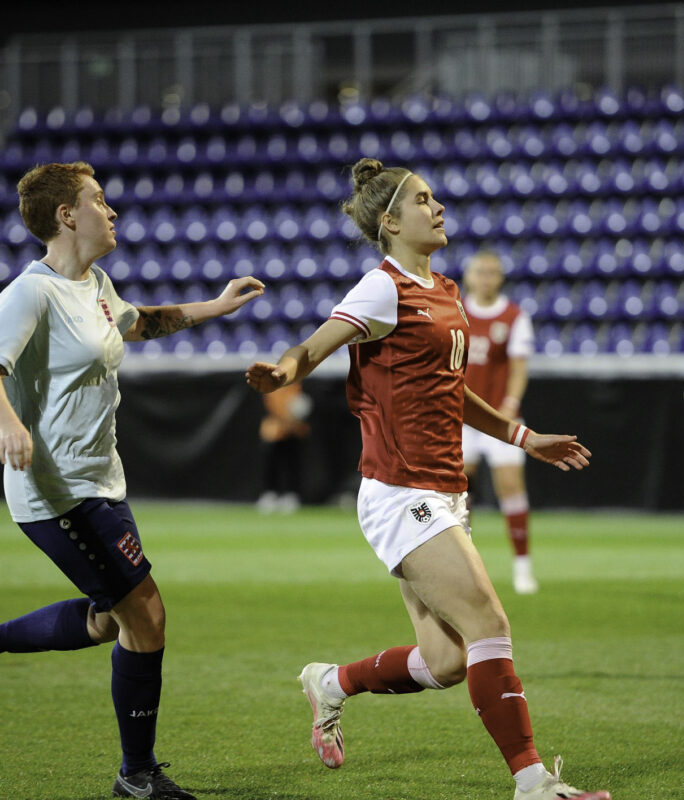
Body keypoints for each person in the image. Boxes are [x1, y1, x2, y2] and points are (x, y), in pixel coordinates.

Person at [246, 158, 610, 800]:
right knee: (490, 623)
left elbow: (452, 390)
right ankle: (532, 782)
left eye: (435, 197)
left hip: (444, 488)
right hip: (400, 489)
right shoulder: (382, 287)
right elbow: (315, 346)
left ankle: (330, 682)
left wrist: (527, 439)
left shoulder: (443, 288)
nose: (437, 207)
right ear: (390, 222)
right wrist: (284, 371)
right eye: (423, 199)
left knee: (444, 662)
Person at [0, 161, 264, 799]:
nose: (111, 211)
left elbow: (139, 322)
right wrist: (8, 426)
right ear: (67, 216)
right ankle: (137, 776)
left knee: (107, 620)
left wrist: (218, 306)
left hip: (101, 484)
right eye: (98, 201)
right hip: (56, 492)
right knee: (145, 618)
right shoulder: (28, 294)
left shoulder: (94, 283)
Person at [461, 249, 538, 593]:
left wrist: (511, 402)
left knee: (510, 486)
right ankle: (464, 566)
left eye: (492, 272)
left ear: (500, 278)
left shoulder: (513, 316)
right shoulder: (457, 310)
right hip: (461, 417)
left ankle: (522, 566)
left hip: (499, 417)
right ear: (470, 277)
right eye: (481, 272)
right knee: (459, 492)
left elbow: (519, 367)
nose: (486, 279)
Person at [255, 382, 311, 513]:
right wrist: (286, 419)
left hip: (294, 431)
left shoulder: (297, 385)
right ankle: (270, 494)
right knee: (271, 465)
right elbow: (271, 404)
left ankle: (291, 495)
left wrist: (294, 421)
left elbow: (301, 404)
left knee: (293, 465)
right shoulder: (272, 385)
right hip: (274, 431)